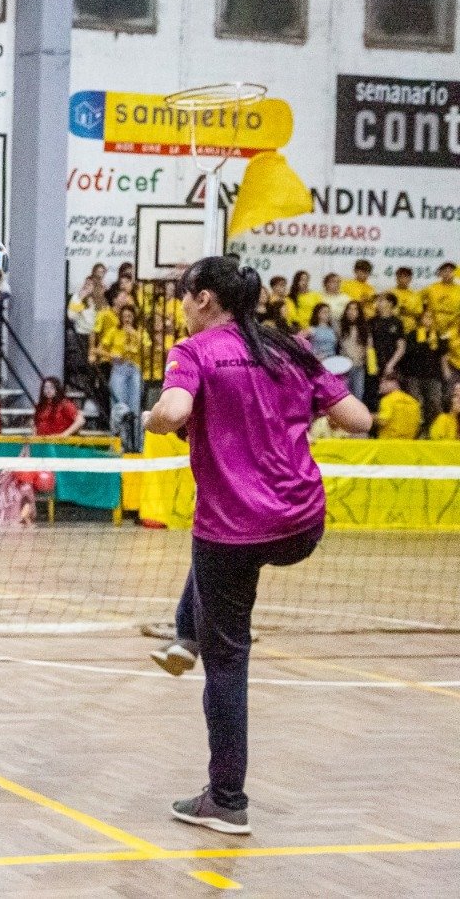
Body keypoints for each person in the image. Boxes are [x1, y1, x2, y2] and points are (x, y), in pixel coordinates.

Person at [143, 255, 370, 836]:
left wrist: (152, 418)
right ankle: (187, 632)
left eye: (185, 296)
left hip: (233, 529)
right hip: (301, 523)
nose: (182, 307)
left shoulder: (193, 352)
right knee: (213, 572)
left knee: (227, 662)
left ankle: (226, 799)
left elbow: (173, 411)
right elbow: (359, 420)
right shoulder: (290, 348)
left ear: (204, 299)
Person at [102, 302, 149, 452]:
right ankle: (117, 444)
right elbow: (100, 349)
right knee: (118, 407)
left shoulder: (140, 332)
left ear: (134, 317)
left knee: (135, 406)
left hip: (134, 368)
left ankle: (136, 444)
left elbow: (147, 349)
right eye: (124, 316)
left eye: (130, 316)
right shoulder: (114, 332)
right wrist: (111, 355)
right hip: (119, 368)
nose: (127, 319)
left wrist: (133, 334)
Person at [400, 309, 448, 427]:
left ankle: (435, 428)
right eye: (426, 317)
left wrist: (445, 371)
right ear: (420, 319)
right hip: (415, 374)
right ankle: (415, 428)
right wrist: (424, 342)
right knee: (415, 402)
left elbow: (443, 354)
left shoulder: (438, 335)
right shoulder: (412, 334)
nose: (428, 320)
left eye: (431, 317)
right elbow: (409, 352)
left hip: (433, 374)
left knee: (435, 402)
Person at [366, 293, 406, 411]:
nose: (378, 303)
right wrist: (372, 364)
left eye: (381, 300)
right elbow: (369, 344)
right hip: (374, 364)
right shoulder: (372, 321)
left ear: (390, 303)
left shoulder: (397, 322)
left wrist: (391, 364)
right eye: (378, 301)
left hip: (392, 365)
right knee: (372, 396)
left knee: (391, 396)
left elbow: (401, 347)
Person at [338, 300, 369, 401]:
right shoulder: (340, 327)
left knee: (358, 395)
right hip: (344, 368)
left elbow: (369, 347)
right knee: (345, 396)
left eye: (355, 309)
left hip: (359, 366)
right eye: (349, 309)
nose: (352, 312)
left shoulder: (364, 328)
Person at [373, 374, 422, 439]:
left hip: (388, 441)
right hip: (409, 442)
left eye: (383, 382)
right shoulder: (413, 401)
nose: (380, 386)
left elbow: (383, 421)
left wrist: (369, 416)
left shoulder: (388, 399)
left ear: (395, 383)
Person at [423, 260, 460, 334]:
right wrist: (424, 316)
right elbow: (417, 300)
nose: (447, 273)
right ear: (440, 273)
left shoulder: (458, 289)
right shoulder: (431, 288)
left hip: (453, 328)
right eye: (445, 271)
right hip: (433, 327)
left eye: (451, 271)